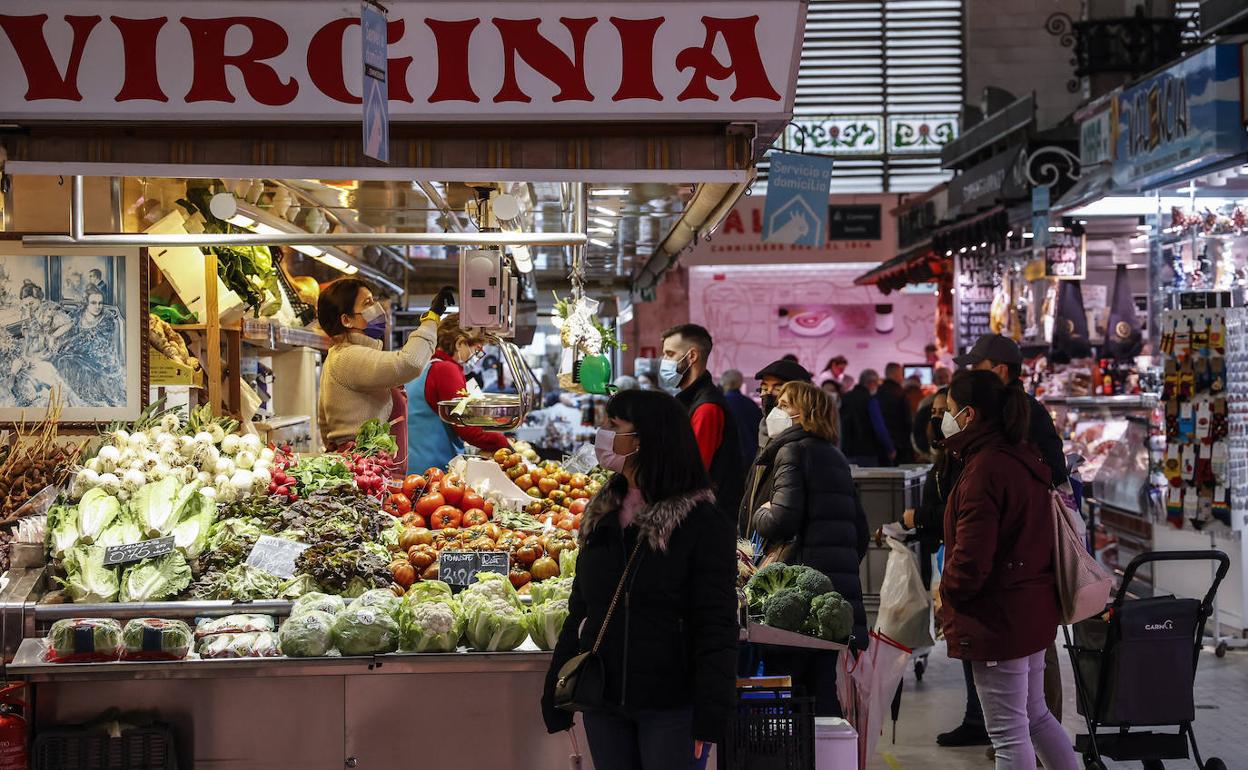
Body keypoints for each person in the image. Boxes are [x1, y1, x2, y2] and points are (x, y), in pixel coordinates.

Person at [541, 389, 738, 770]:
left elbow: (717, 623)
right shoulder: (601, 516)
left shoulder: (701, 523)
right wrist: (556, 685)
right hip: (604, 700)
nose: (601, 433)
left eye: (613, 426)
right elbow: (581, 607)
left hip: (673, 706)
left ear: (647, 439)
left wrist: (712, 711)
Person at [938, 370, 1077, 770]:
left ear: (969, 415)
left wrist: (949, 590)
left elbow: (972, 558)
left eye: (949, 411)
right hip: (1029, 608)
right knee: (1035, 716)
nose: (944, 419)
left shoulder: (986, 469)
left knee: (1008, 733)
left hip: (999, 615)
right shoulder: (1022, 456)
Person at [953, 334, 1068, 732]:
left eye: (977, 367)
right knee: (1029, 712)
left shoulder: (1018, 423)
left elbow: (1051, 475)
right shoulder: (995, 434)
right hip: (1014, 570)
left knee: (1025, 714)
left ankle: (1026, 744)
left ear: (1000, 370)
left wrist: (953, 586)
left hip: (1016, 570)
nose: (971, 374)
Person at [749, 382, 869, 715]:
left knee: (790, 687)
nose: (776, 410)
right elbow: (859, 531)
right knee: (821, 687)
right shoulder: (834, 455)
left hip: (797, 595)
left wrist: (761, 511)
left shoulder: (792, 450)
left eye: (785, 404)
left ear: (806, 413)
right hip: (834, 594)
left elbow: (781, 521)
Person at [901, 389, 989, 747]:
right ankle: (977, 717)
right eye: (936, 412)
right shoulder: (950, 456)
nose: (939, 418)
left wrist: (917, 517)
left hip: (965, 565)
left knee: (979, 653)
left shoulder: (970, 461)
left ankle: (982, 721)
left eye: (946, 410)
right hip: (949, 557)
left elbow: (957, 515)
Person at [317, 279, 453, 466]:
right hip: (365, 471)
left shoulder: (340, 354)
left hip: (367, 467)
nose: (377, 308)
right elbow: (409, 362)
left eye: (374, 300)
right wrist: (431, 319)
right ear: (346, 320)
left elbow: (324, 422)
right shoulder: (349, 356)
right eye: (367, 303)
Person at [406, 313, 510, 474]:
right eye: (477, 349)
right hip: (434, 469)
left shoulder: (424, 366)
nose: (476, 356)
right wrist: (505, 444)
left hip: (414, 464)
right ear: (460, 343)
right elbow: (466, 426)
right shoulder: (446, 369)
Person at [660, 324, 744, 517]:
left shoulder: (707, 407)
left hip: (706, 521)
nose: (664, 361)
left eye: (670, 354)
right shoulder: (690, 401)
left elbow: (692, 472)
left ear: (692, 356)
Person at [55, 285, 125, 406]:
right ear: (86, 303)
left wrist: (68, 345)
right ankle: (69, 396)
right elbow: (66, 326)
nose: (98, 306)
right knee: (61, 360)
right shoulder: (78, 313)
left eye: (100, 303)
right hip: (78, 351)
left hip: (100, 356)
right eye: (93, 303)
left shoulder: (107, 318)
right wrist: (54, 338)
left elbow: (96, 341)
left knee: (76, 364)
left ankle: (85, 398)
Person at [839, 369, 894, 467]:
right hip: (867, 453)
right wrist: (890, 448)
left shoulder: (845, 398)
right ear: (871, 383)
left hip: (846, 452)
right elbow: (879, 427)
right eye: (877, 383)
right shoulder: (870, 400)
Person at [720, 369, 762, 469]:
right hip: (751, 456)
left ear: (723, 383)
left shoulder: (721, 403)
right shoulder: (750, 404)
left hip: (728, 459)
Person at [876, 363, 914, 464]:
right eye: (901, 374)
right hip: (900, 443)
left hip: (881, 443)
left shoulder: (877, 392)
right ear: (895, 374)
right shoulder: (901, 393)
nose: (902, 377)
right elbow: (907, 420)